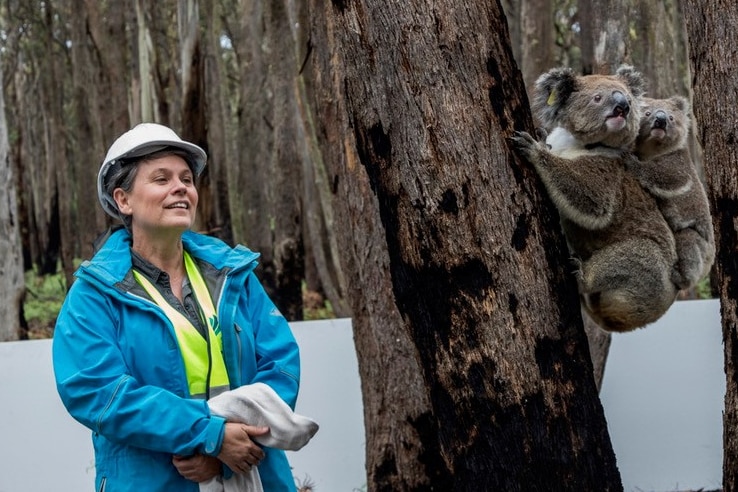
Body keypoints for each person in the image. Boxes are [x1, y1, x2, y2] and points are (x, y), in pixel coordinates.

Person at [52, 123, 302, 491]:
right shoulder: (93, 296)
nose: (181, 187)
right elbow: (98, 393)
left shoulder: (233, 275)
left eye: (186, 178)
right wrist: (208, 434)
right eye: (161, 179)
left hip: (254, 471)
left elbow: (281, 363)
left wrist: (230, 446)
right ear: (123, 200)